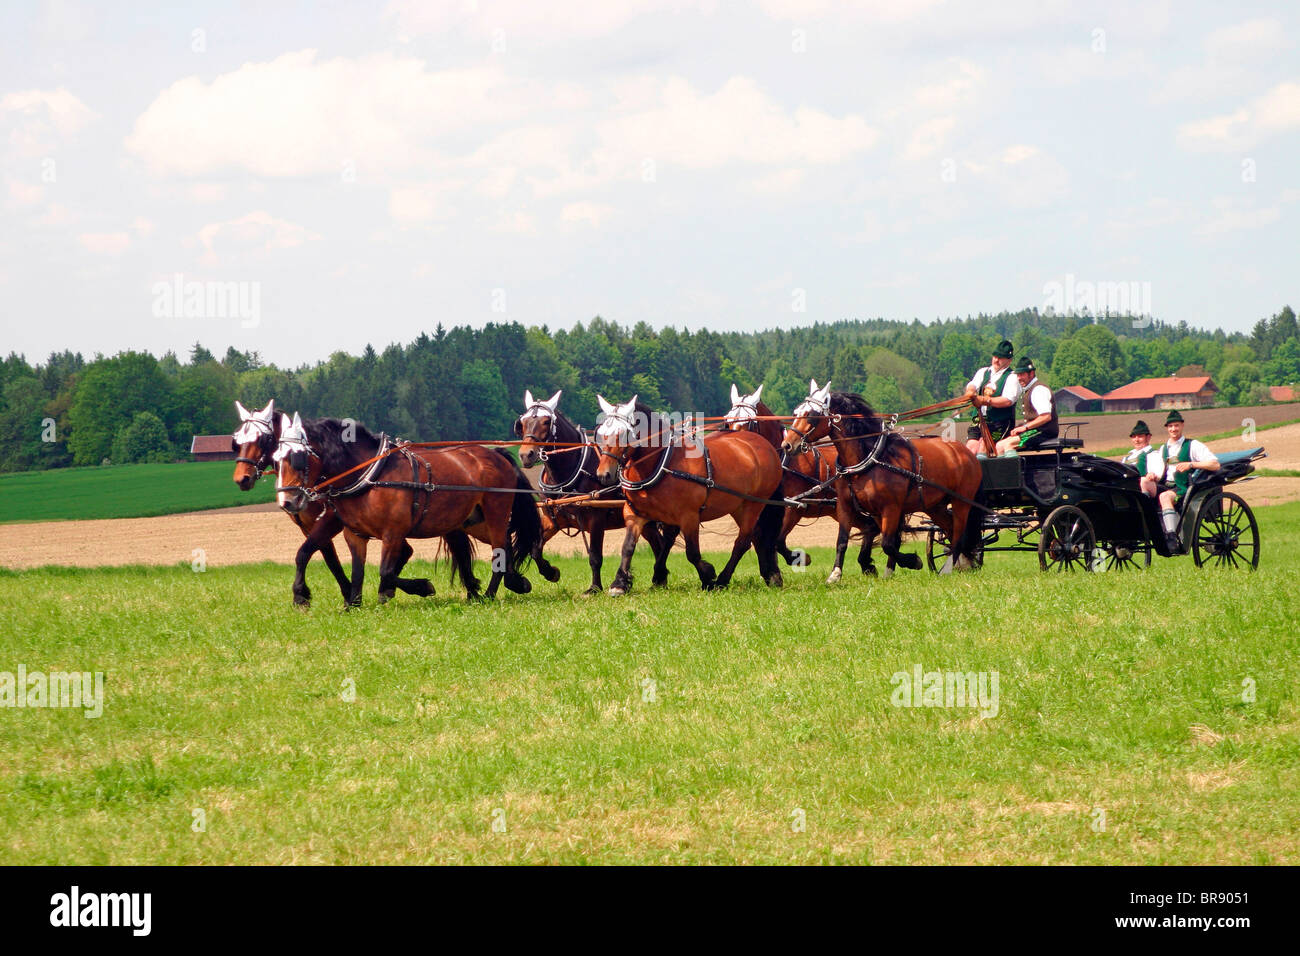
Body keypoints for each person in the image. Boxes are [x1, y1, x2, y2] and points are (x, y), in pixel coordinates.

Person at [1140, 410, 1220, 553]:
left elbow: (1215, 464)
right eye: (1170, 426)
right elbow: (1160, 473)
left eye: (1176, 425)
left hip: (1184, 487)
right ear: (1167, 428)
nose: (1173, 429)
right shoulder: (1164, 448)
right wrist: (1153, 476)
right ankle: (1147, 519)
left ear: (1182, 426)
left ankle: (1172, 536)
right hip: (1166, 485)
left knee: (1164, 497)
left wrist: (1191, 464)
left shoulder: (1193, 445)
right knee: (1143, 482)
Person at [964, 339, 1020, 458]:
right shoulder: (983, 372)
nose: (996, 360)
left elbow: (1007, 400)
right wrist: (970, 391)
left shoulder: (1012, 377)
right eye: (995, 356)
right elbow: (973, 384)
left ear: (1009, 360)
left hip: (999, 423)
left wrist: (985, 400)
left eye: (1000, 357)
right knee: (970, 449)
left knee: (982, 446)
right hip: (978, 421)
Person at [994, 357, 1057, 456]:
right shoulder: (1029, 389)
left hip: (1044, 432)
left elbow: (1046, 416)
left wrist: (1025, 427)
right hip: (1034, 430)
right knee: (999, 446)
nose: (1019, 378)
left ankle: (1013, 471)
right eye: (1018, 375)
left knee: (1009, 444)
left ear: (1031, 374)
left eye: (1022, 374)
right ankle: (1004, 471)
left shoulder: (1038, 389)